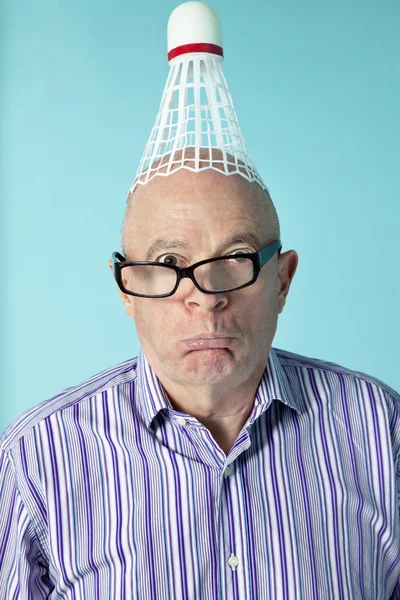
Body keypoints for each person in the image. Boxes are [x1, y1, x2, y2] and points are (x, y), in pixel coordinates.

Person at [0, 148, 399, 599]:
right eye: (169, 262)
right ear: (126, 288)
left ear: (283, 281)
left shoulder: (382, 429)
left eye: (237, 256)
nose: (206, 298)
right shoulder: (35, 460)